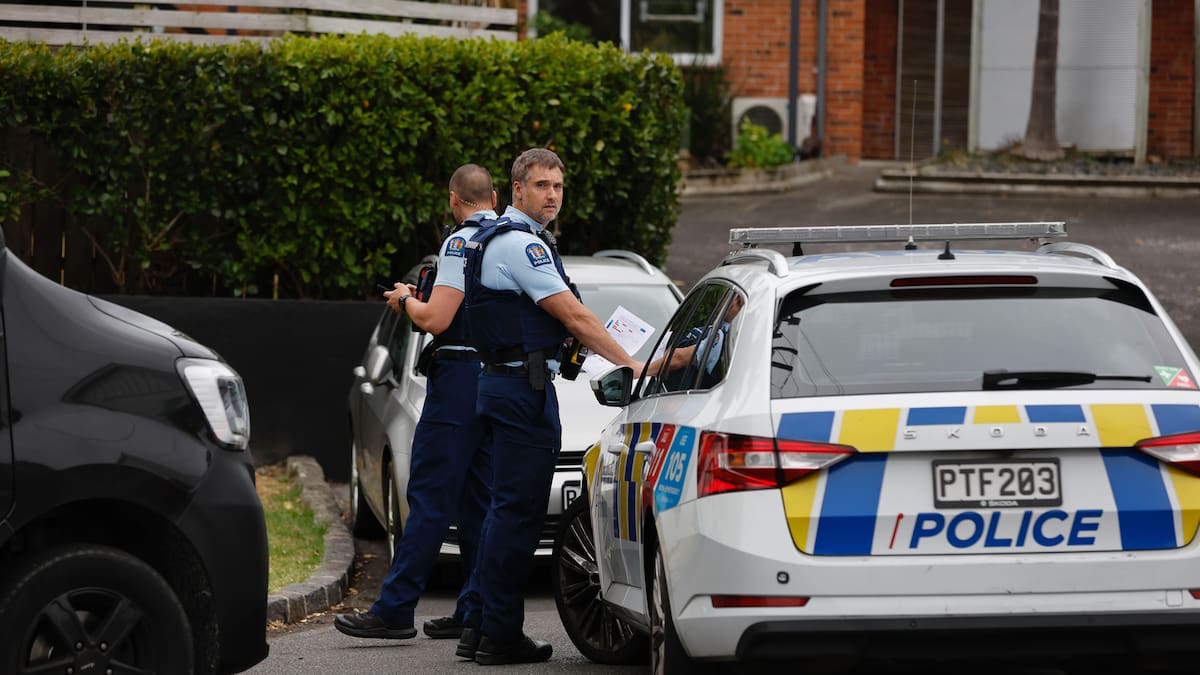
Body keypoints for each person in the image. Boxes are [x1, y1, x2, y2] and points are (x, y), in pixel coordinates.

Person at [457, 148, 643, 665]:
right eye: (541, 186)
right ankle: (499, 634)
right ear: (516, 189)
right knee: (516, 516)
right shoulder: (521, 246)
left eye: (558, 187)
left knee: (502, 513)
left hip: (510, 386)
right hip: (520, 394)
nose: (552, 196)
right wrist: (633, 366)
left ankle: (479, 627)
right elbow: (574, 318)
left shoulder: (516, 241)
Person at [334, 163, 498, 644]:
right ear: (494, 196)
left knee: (427, 497)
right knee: (477, 503)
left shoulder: (459, 242)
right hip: (496, 379)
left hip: (457, 381)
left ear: (454, 199)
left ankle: (395, 609)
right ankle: (472, 609)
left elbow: (437, 319)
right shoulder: (511, 238)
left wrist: (407, 300)